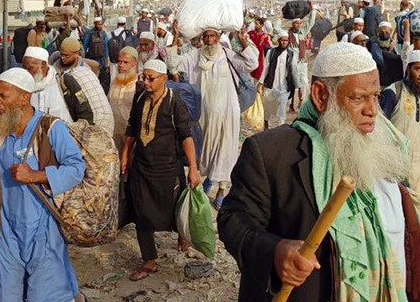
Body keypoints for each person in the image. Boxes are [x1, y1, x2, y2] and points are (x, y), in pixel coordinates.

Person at [218, 42, 420, 302]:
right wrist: (274, 252)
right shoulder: (272, 153)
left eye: (375, 95)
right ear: (320, 96)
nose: (372, 110)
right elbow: (233, 220)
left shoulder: (390, 145)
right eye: (357, 98)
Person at [0, 68, 86, 301]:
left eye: (3, 96)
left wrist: (35, 175)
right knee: (9, 296)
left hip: (42, 229)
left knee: (45, 296)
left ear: (24, 98)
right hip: (9, 231)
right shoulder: (1, 131)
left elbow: (76, 168)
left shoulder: (50, 128)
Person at [120, 60, 200, 281]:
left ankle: (182, 233)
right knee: (140, 212)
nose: (145, 81)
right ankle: (149, 260)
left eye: (150, 78)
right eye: (143, 77)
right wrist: (125, 154)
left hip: (167, 168)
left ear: (163, 79)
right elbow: (132, 129)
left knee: (174, 207)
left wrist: (193, 169)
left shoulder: (175, 104)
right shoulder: (139, 98)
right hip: (142, 166)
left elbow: (186, 137)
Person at [173, 24, 259, 209]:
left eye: (213, 36)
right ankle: (209, 178)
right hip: (204, 114)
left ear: (218, 37)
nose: (210, 40)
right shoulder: (195, 56)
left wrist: (243, 41)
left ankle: (221, 188)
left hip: (228, 113)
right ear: (202, 38)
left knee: (225, 149)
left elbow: (252, 64)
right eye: (206, 37)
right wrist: (175, 37)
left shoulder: (228, 55)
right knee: (204, 150)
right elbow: (173, 64)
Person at [380, 50, 420, 202]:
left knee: (418, 209)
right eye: (418, 69)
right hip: (396, 162)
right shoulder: (393, 91)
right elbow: (381, 126)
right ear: (408, 69)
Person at [50, 38, 114, 134]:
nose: (62, 58)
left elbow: (82, 98)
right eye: (61, 54)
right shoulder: (56, 66)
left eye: (66, 55)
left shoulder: (84, 69)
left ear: (76, 54)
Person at [22, 46, 88, 124]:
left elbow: (84, 105)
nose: (26, 72)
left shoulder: (66, 81)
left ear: (43, 65)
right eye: (24, 68)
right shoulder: (22, 86)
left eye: (30, 68)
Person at [258, 33, 300, 129]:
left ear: (288, 41)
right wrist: (260, 82)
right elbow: (266, 67)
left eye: (286, 40)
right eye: (282, 40)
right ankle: (266, 125)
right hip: (271, 85)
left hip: (284, 87)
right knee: (267, 106)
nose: (284, 42)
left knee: (282, 108)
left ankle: (280, 128)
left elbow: (295, 70)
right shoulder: (271, 52)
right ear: (279, 41)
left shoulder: (291, 54)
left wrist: (298, 86)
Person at [109, 47, 139, 153]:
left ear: (134, 64)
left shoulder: (138, 85)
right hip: (113, 133)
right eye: (119, 61)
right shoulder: (114, 82)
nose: (121, 65)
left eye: (126, 62)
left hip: (130, 137)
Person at [287, 17, 311, 112]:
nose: (298, 25)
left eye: (300, 24)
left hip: (302, 62)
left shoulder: (302, 33)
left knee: (304, 81)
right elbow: (276, 28)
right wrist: (280, 17)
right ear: (292, 24)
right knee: (291, 85)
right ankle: (290, 106)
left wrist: (312, 9)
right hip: (292, 63)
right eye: (296, 23)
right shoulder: (288, 34)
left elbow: (310, 23)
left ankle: (301, 100)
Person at [84, 17, 110, 91]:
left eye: (101, 24)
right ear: (95, 24)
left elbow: (106, 46)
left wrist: (106, 57)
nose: (100, 26)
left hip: (101, 59)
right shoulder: (89, 34)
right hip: (91, 59)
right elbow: (84, 47)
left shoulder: (103, 34)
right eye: (99, 24)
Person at [248, 17, 272, 83]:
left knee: (258, 76)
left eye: (257, 24)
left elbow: (267, 47)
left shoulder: (265, 36)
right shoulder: (250, 34)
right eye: (255, 24)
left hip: (260, 58)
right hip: (250, 57)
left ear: (261, 25)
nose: (255, 25)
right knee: (249, 75)